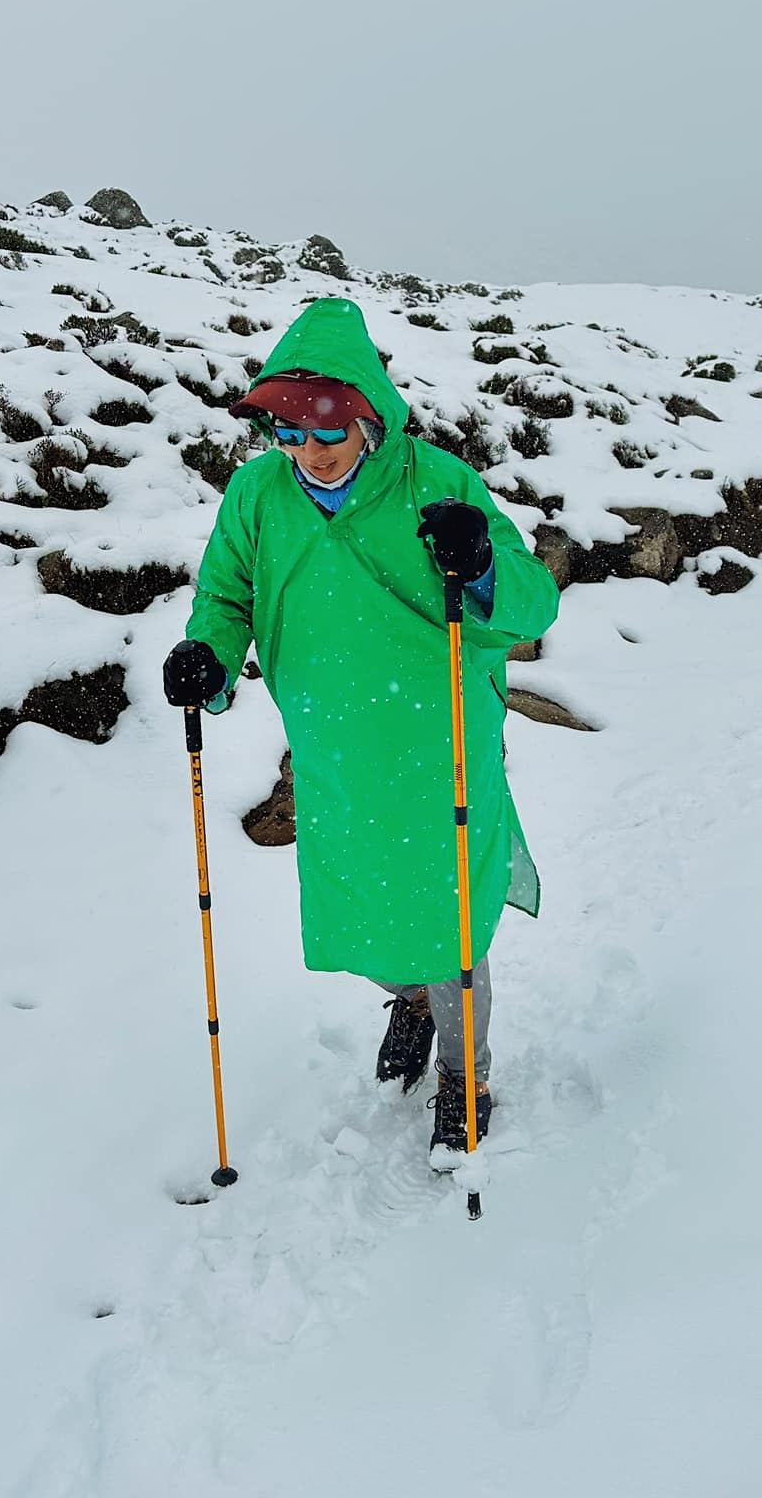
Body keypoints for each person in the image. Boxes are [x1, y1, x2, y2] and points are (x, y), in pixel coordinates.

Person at [162, 296, 560, 1154]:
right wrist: (209, 658)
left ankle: (464, 1076)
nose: (309, 449)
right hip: (332, 745)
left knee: (448, 919)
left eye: (326, 429)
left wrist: (481, 563)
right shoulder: (258, 493)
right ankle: (409, 999)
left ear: (369, 415)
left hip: (438, 741)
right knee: (365, 906)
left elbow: (533, 601)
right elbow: (226, 595)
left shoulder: (437, 482)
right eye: (288, 431)